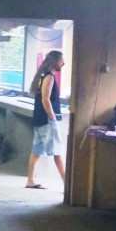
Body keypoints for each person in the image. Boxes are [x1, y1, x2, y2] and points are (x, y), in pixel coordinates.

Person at [26, 50, 66, 189]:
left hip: (39, 119)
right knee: (57, 152)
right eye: (61, 60)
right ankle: (68, 184)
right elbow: (45, 99)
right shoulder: (49, 77)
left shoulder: (42, 74)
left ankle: (30, 180)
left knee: (36, 150)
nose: (63, 63)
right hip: (47, 120)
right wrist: (53, 118)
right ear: (55, 61)